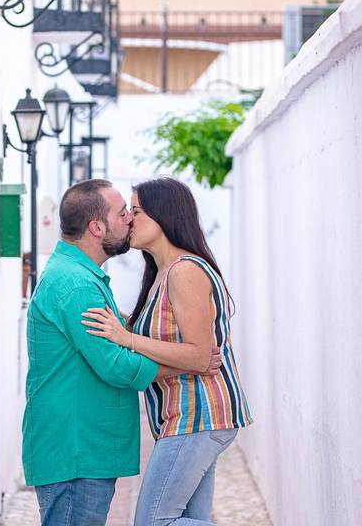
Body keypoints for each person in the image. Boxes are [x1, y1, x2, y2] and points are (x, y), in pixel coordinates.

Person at [22, 178, 221, 526]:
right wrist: (187, 360)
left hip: (82, 448)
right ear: (97, 227)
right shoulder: (76, 284)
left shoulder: (80, 277)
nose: (129, 219)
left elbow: (113, 344)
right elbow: (115, 364)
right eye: (122, 213)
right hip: (76, 450)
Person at [81, 176, 252, 526]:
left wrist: (125, 338)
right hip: (186, 416)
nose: (129, 219)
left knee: (154, 521)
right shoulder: (162, 272)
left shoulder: (185, 271)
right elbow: (164, 336)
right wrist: (120, 324)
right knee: (190, 518)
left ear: (164, 216)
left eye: (137, 211)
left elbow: (199, 356)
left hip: (199, 415)